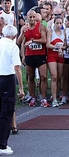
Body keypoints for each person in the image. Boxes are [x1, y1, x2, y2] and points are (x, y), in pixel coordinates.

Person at [0, 25, 24, 156]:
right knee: (6, 111)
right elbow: (17, 67)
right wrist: (20, 87)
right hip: (6, 78)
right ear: (15, 36)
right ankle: (2, 145)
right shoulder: (13, 47)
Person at [20, 10, 49, 107]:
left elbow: (44, 40)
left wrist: (32, 41)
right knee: (31, 76)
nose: (32, 19)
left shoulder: (40, 26)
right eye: (30, 17)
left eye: (33, 17)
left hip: (40, 55)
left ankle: (43, 97)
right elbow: (20, 42)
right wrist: (23, 55)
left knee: (43, 76)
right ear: (27, 18)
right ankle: (32, 97)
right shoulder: (25, 28)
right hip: (29, 55)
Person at [46, 16, 66, 107]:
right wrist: (57, 48)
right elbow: (48, 44)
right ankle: (53, 98)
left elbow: (65, 45)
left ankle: (57, 96)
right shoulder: (51, 31)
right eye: (57, 23)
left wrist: (62, 48)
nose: (59, 25)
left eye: (60, 23)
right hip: (52, 56)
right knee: (54, 76)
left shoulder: (64, 32)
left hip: (60, 56)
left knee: (59, 77)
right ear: (54, 23)